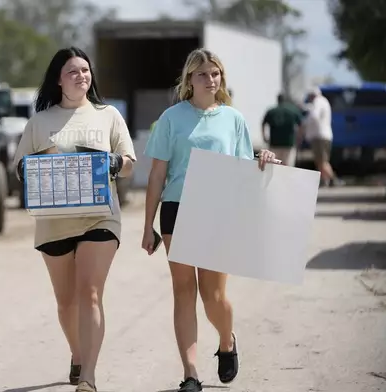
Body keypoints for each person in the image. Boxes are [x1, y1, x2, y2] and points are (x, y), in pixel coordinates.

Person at [141, 48, 278, 392]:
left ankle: (226, 341)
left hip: (218, 211)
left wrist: (264, 160)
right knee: (183, 291)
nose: (210, 79)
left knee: (213, 297)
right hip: (176, 207)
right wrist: (148, 226)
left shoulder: (233, 119)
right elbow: (157, 174)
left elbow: (244, 168)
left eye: (215, 73)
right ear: (189, 79)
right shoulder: (171, 118)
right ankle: (190, 374)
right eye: (202, 74)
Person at [13, 46, 136, 392]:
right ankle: (78, 354)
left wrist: (114, 163)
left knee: (90, 294)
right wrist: (30, 167)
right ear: (58, 79)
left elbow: (128, 163)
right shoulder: (39, 122)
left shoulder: (108, 115)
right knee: (66, 302)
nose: (82, 76)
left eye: (85, 70)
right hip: (52, 221)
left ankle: (88, 377)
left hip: (100, 218)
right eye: (73, 71)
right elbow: (20, 168)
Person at [302, 87, 344, 186]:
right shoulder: (324, 102)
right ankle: (324, 181)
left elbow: (314, 116)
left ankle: (334, 180)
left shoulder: (318, 101)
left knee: (322, 161)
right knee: (322, 161)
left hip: (319, 136)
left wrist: (306, 126)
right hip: (325, 135)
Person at [262, 93, 303, 167]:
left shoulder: (271, 111)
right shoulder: (293, 110)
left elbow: (263, 123)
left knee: (273, 166)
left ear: (277, 100)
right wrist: (299, 138)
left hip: (274, 143)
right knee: (287, 166)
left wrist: (264, 136)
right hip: (289, 143)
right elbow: (301, 125)